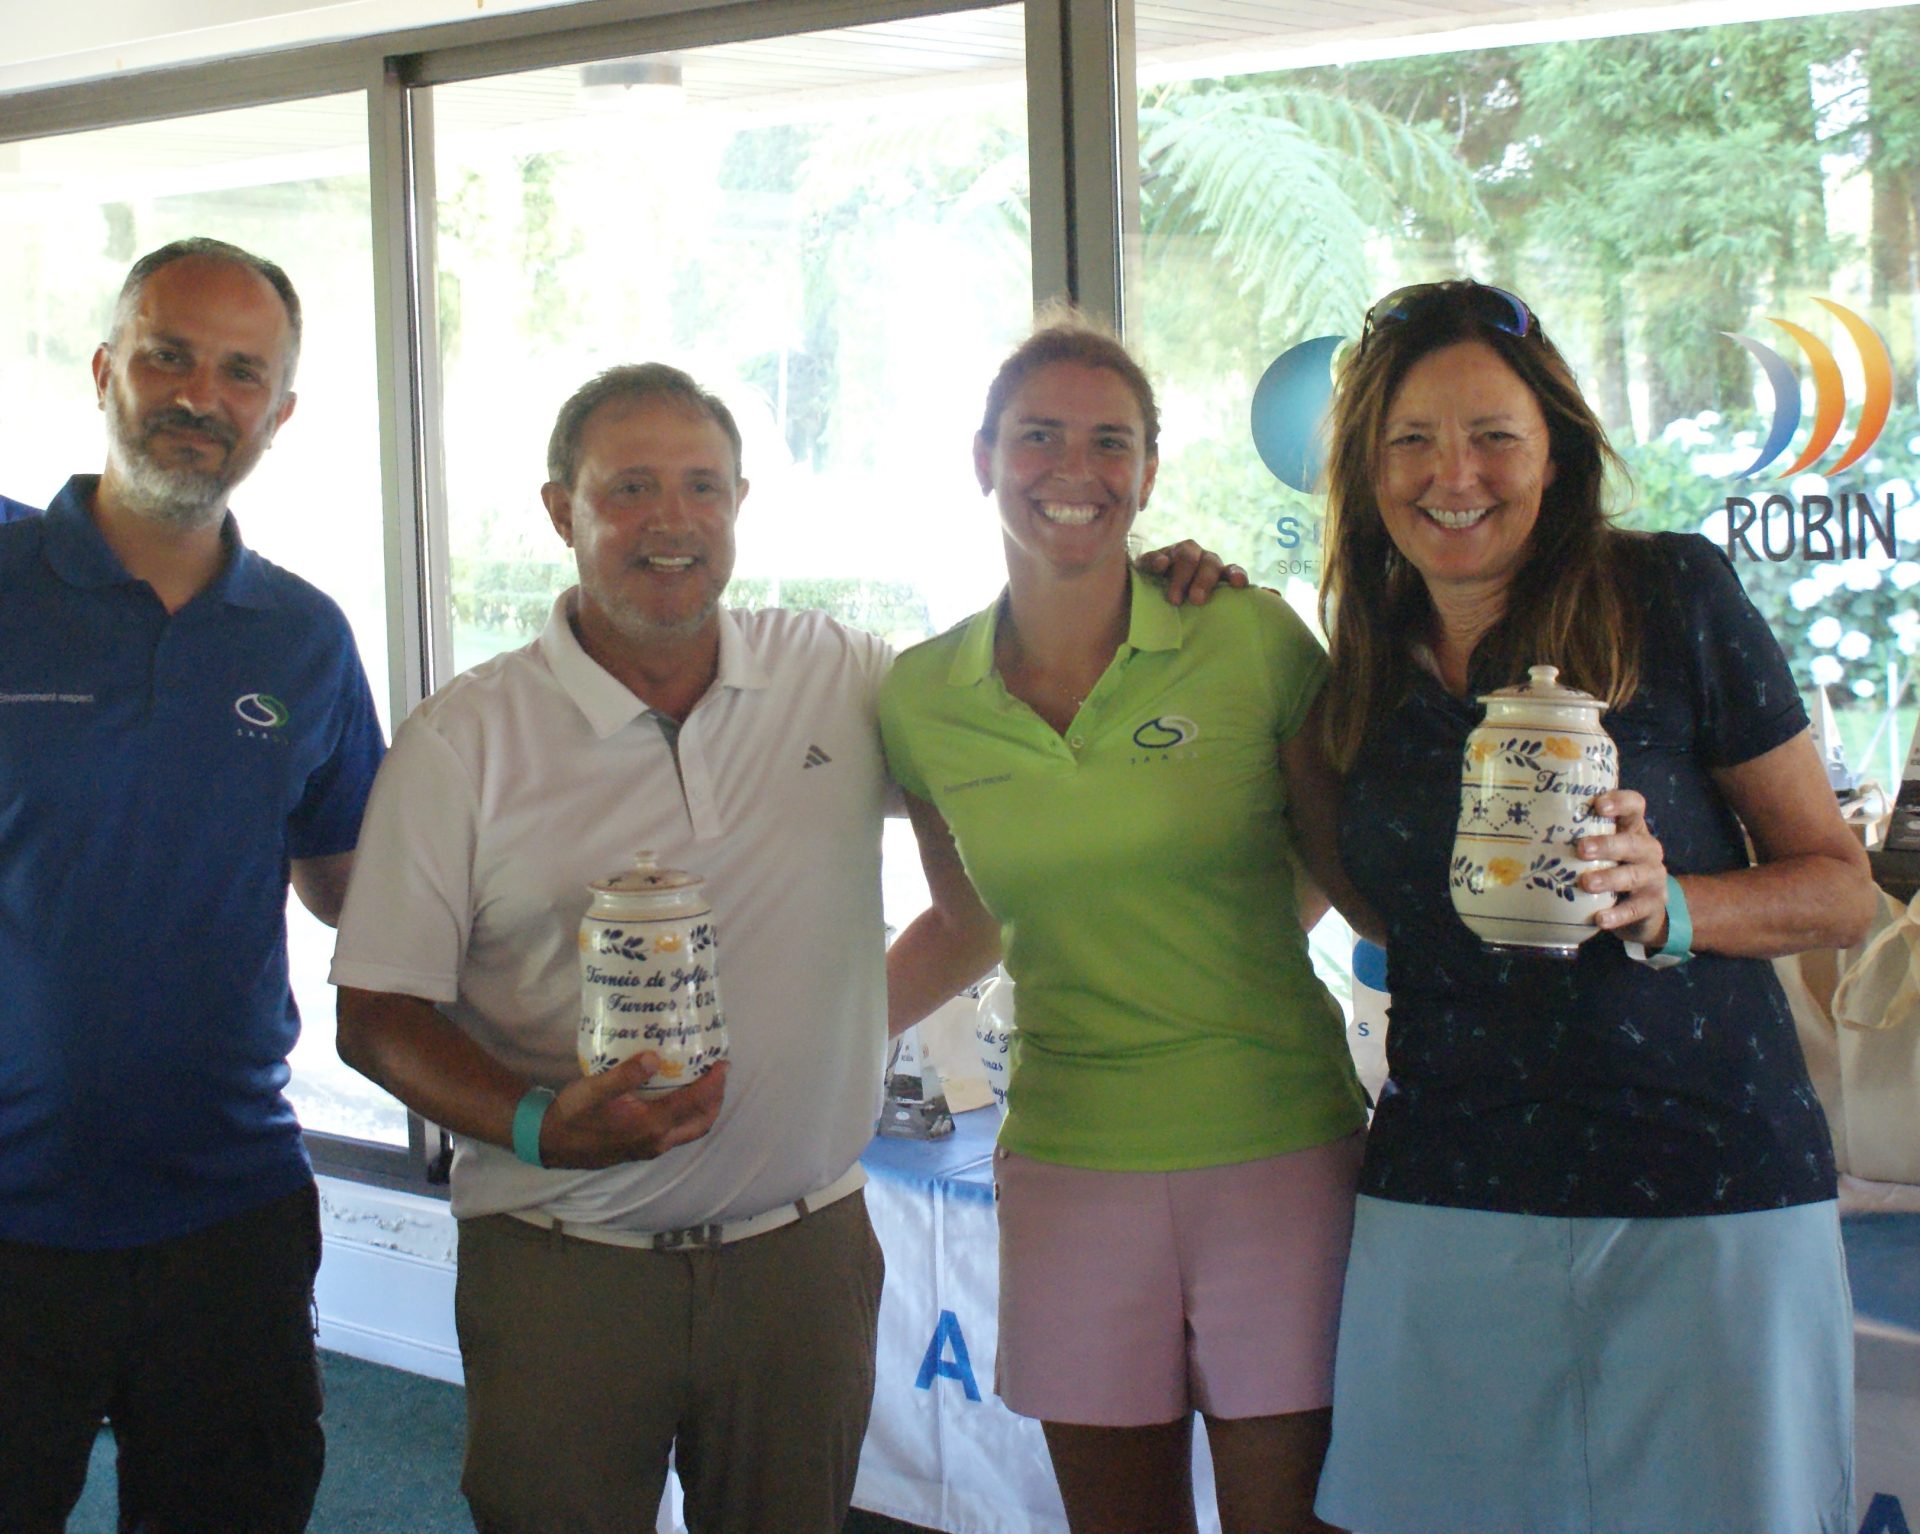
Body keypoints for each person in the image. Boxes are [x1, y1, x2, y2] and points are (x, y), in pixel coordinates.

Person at [328, 361, 1238, 1534]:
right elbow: (376, 1011)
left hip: (800, 1259)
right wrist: (538, 1124)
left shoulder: (842, 679)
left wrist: (1155, 586)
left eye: (702, 486)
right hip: (566, 1258)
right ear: (561, 510)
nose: (672, 521)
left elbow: (981, 900)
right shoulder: (466, 739)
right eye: (631, 488)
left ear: (742, 502)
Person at [1307, 279, 1878, 1533]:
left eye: (1493, 434)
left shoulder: (1667, 594)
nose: (1452, 473)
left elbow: (1840, 884)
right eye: (1410, 438)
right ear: (1365, 466)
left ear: (1554, 451)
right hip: (1449, 1185)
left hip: (1702, 1182)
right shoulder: (1356, 661)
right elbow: (1381, 905)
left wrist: (1675, 901)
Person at [878, 315, 1370, 1534]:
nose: (1074, 470)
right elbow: (963, 921)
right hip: (1072, 1158)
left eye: (1112, 442)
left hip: (1279, 1145)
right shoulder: (921, 697)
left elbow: (1336, 873)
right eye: (1039, 436)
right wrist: (800, 1059)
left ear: (1149, 471)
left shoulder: (1247, 637)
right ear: (983, 457)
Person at [0, 238, 387, 1531]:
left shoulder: (304, 635)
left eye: (241, 371)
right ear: (108, 367)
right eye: (167, 354)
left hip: (229, 1208)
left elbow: (352, 883)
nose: (198, 395)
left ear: (279, 413)